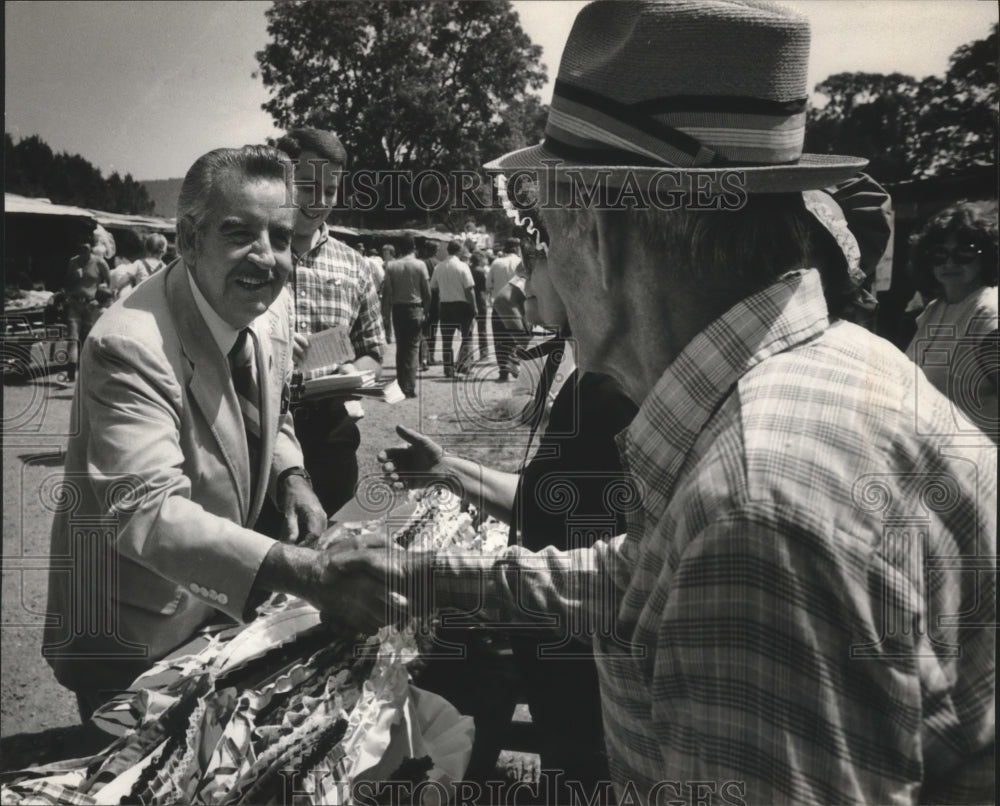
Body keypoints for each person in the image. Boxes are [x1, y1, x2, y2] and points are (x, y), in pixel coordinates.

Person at [352, 3, 996, 803]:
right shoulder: (838, 370)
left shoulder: (754, 510)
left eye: (545, 228)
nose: (542, 264)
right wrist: (422, 575)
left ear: (600, 232)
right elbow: (643, 577)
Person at [43, 145, 392, 721]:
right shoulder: (127, 344)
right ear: (188, 238)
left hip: (214, 614)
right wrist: (302, 570)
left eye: (280, 237)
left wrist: (294, 477)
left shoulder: (267, 308)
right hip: (131, 631)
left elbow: (273, 406)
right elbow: (146, 511)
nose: (267, 256)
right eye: (239, 232)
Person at [381, 229, 637, 793]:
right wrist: (447, 468)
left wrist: (445, 580)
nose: (522, 278)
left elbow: (616, 568)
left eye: (535, 258)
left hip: (585, 666)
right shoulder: (586, 380)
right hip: (562, 656)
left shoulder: (611, 391)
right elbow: (538, 498)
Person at [275, 127, 386, 516]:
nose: (319, 201)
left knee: (334, 549)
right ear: (281, 180)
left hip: (331, 433)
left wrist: (352, 371)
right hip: (261, 431)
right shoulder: (255, 254)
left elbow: (374, 351)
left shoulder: (354, 264)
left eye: (330, 189)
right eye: (306, 186)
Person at [905, 202, 998, 439]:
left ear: (987, 255)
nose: (949, 263)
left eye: (964, 252)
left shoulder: (988, 313)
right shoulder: (935, 309)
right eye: (939, 253)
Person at [383, 234, 431, 398]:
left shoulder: (391, 266)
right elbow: (427, 291)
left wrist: (386, 317)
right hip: (415, 308)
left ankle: (400, 384)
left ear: (398, 249)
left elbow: (387, 294)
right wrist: (427, 310)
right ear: (414, 248)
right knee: (412, 348)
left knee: (401, 348)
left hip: (397, 310)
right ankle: (408, 387)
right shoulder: (420, 265)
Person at [61, 240, 111, 386]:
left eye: (86, 250)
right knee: (73, 337)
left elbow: (108, 282)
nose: (83, 253)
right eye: (80, 250)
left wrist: (101, 301)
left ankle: (88, 372)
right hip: (75, 303)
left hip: (91, 304)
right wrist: (74, 277)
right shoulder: (73, 262)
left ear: (91, 250)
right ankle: (71, 373)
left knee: (90, 338)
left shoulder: (99, 262)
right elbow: (66, 283)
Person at [431, 240, 477, 377]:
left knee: (447, 340)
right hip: (462, 305)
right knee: (467, 336)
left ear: (448, 250)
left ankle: (448, 369)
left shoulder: (439, 267)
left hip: (445, 305)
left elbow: (433, 287)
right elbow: (470, 290)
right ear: (459, 251)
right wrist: (474, 307)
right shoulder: (463, 266)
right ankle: (464, 366)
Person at [490, 262, 531, 382]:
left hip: (503, 300)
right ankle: (515, 363)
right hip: (508, 302)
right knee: (526, 341)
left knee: (502, 340)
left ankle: (506, 369)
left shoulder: (522, 265)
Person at [110, 233, 169, 301]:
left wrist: (116, 288)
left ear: (146, 248)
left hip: (139, 299)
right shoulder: (165, 268)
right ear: (164, 251)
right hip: (155, 300)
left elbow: (126, 277)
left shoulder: (139, 263)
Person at [420, 240, 442, 368]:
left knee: (423, 330)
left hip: (422, 300)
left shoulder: (421, 264)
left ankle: (422, 357)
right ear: (435, 251)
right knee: (432, 330)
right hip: (435, 300)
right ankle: (431, 356)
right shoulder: (438, 264)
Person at [469, 250, 491, 360]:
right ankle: (484, 353)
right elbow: (486, 287)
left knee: (469, 329)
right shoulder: (482, 271)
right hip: (481, 299)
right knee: (482, 328)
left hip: (469, 300)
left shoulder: (468, 270)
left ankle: (469, 354)